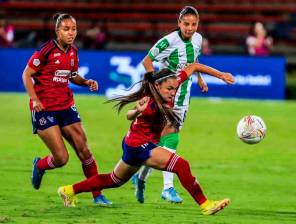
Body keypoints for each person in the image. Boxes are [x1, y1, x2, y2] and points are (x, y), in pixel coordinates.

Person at [57, 62, 234, 216]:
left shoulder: (172, 82)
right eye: (169, 89)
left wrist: (221, 75)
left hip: (132, 143)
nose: (173, 92)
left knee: (113, 180)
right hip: (140, 145)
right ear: (157, 86)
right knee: (181, 165)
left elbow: (194, 66)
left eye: (174, 88)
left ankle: (69, 190)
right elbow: (129, 114)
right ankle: (205, 205)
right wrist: (137, 111)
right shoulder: (149, 102)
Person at [22, 13, 111, 205]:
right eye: (66, 29)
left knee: (85, 151)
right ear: (57, 31)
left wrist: (86, 82)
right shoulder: (46, 51)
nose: (71, 33)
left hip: (65, 106)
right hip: (44, 108)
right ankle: (39, 165)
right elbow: (26, 74)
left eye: (74, 29)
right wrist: (34, 99)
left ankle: (98, 196)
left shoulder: (73, 52)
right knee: (61, 158)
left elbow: (72, 75)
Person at [132, 5, 208, 204]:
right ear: (179, 23)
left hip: (184, 97)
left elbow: (194, 60)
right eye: (186, 24)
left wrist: (199, 78)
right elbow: (147, 61)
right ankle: (168, 188)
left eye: (194, 24)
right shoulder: (169, 41)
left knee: (159, 141)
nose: (190, 28)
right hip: (167, 97)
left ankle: (140, 177)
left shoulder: (198, 39)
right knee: (172, 140)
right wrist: (155, 88)